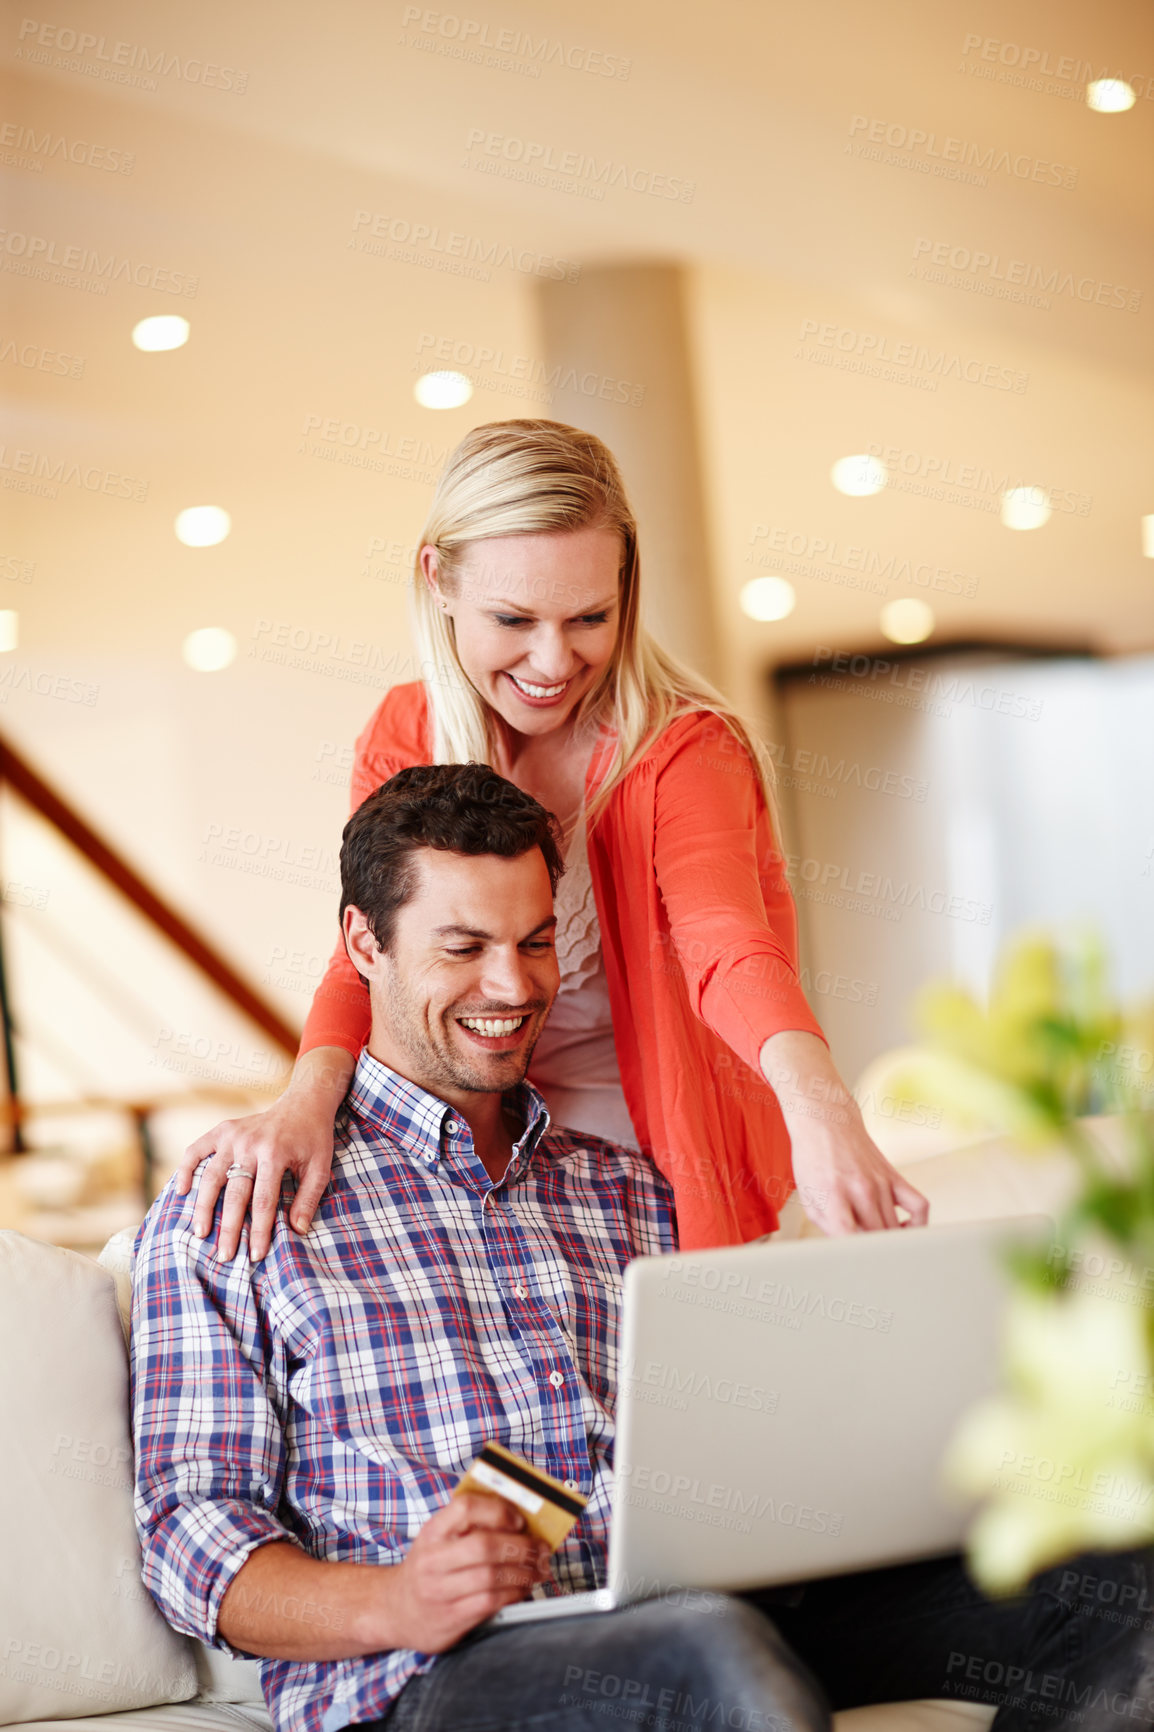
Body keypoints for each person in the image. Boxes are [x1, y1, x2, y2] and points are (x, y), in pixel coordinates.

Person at [134, 765, 1154, 1732]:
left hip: (722, 1607)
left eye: (534, 943)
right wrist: (397, 1600)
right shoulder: (242, 1207)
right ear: (363, 943)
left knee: (1117, 1575)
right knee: (706, 1651)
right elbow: (190, 1536)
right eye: (462, 947)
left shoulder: (631, 1192)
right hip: (432, 1671)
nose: (510, 984)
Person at [177, 418, 927, 1261]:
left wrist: (822, 1114)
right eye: (513, 617)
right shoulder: (405, 729)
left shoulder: (684, 748)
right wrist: (305, 1100)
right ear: (439, 580)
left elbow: (728, 948)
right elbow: (367, 952)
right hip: (485, 1149)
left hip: (660, 1155)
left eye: (588, 617)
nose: (553, 659)